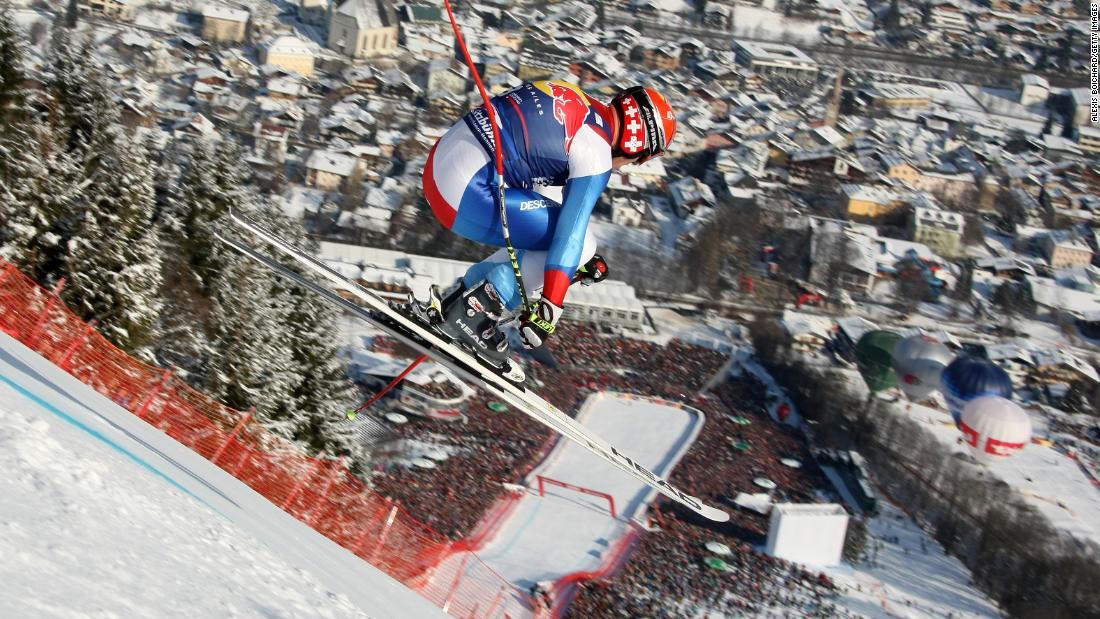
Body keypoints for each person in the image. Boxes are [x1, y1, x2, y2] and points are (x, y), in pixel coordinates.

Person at [414, 80, 676, 374]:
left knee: (578, 250)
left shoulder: (579, 99)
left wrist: (576, 266)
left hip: (440, 167)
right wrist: (551, 308)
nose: (630, 165)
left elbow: (549, 197)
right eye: (639, 159)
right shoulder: (596, 150)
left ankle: (463, 298)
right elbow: (570, 235)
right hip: (464, 194)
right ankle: (476, 310)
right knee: (583, 245)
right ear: (636, 146)